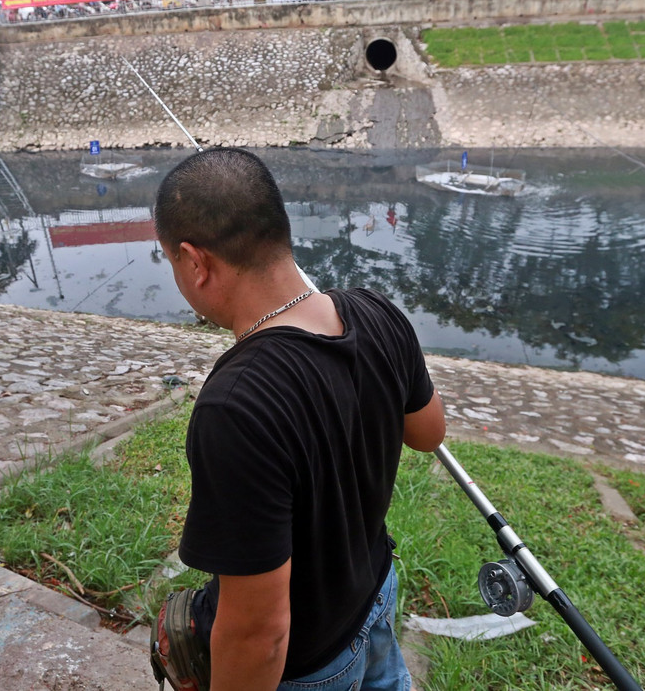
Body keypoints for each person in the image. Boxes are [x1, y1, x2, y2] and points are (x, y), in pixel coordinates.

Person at [152, 148, 448, 690]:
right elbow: (429, 434)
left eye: (169, 261)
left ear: (196, 263)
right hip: (375, 595)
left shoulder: (234, 406)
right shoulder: (377, 311)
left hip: (309, 666)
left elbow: (259, 634)